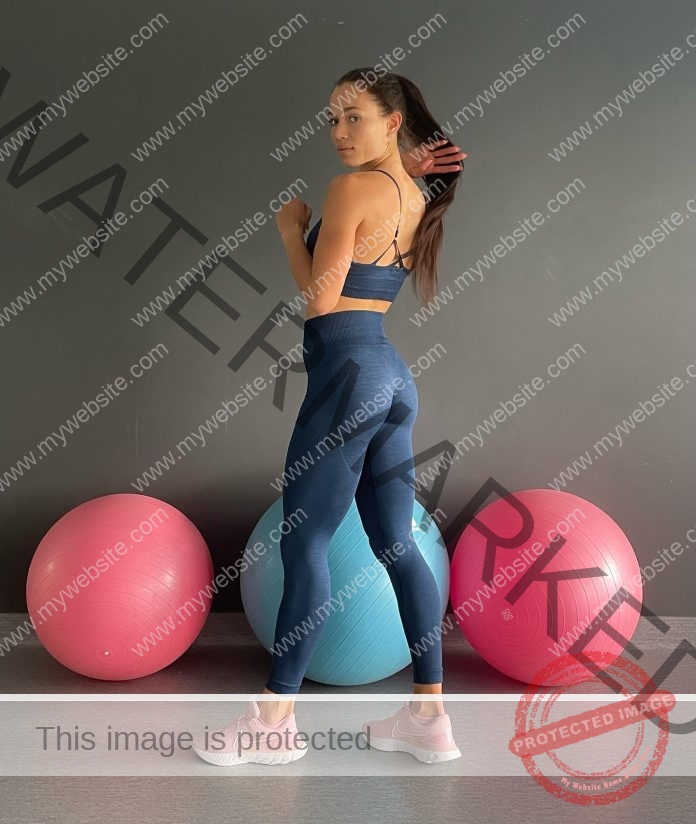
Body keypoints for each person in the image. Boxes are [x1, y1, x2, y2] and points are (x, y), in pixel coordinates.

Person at [193, 69, 467, 767]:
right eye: (331, 120)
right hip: (391, 377)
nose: (339, 133)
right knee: (397, 544)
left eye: (354, 117)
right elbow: (357, 274)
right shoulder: (414, 192)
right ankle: (429, 718)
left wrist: (291, 233)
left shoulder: (351, 189)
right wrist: (402, 168)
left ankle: (273, 722)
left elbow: (320, 299)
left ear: (393, 122)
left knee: (305, 544)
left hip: (347, 380)